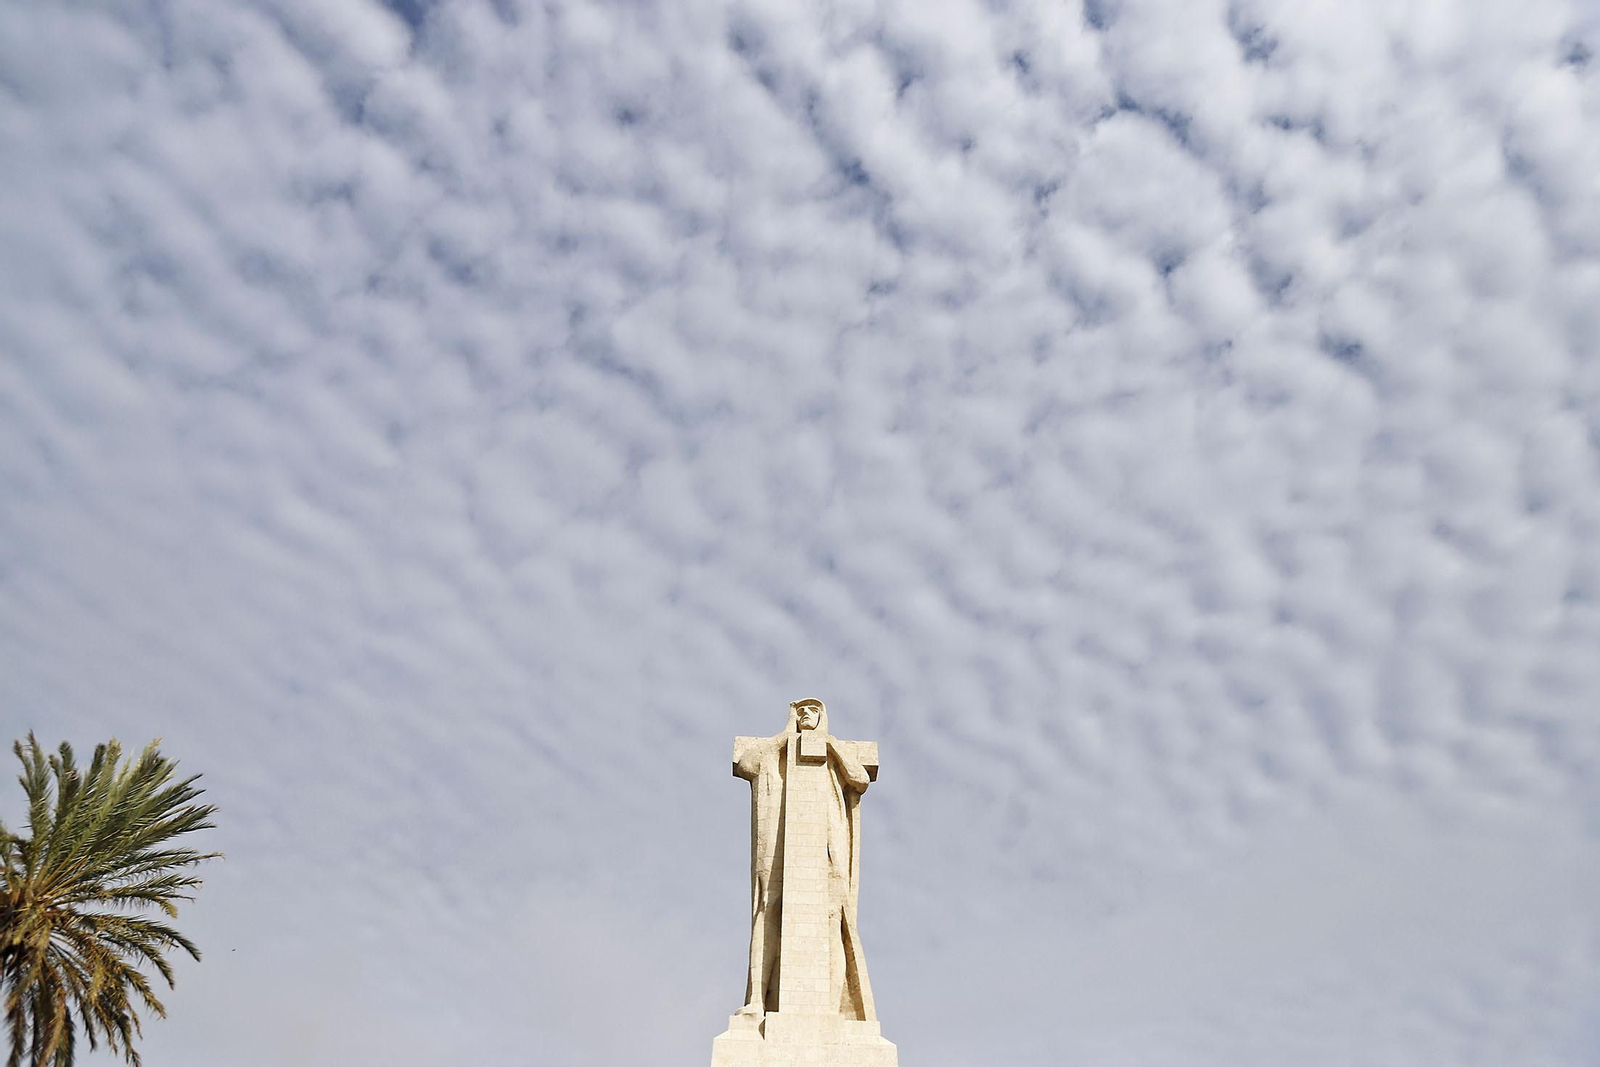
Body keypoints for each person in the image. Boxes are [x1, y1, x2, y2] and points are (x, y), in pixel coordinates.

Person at [733, 698, 876, 1020]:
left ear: (823, 715)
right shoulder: (777, 748)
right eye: (800, 711)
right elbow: (747, 764)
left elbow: (860, 779)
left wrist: (832, 747)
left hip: (828, 842)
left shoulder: (832, 748)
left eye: (812, 710)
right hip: (781, 843)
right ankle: (758, 999)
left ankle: (830, 1007)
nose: (805, 715)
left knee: (834, 917)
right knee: (769, 909)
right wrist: (785, 735)